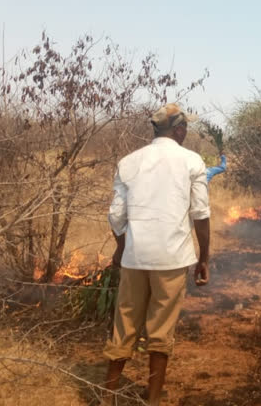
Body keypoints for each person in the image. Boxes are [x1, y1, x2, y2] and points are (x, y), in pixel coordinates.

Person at [103, 103, 211, 406]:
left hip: (135, 258)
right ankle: (152, 399)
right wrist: (204, 258)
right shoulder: (192, 161)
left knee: (124, 326)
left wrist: (122, 248)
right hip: (172, 259)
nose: (187, 132)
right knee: (161, 334)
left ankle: (107, 398)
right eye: (185, 127)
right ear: (178, 130)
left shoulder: (129, 162)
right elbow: (201, 215)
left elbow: (116, 216)